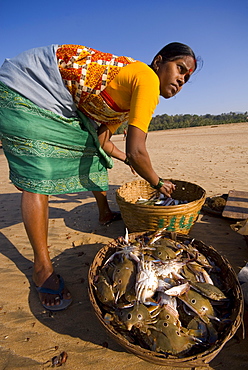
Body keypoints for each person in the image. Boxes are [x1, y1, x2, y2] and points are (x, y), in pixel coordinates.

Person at [0, 42, 198, 310]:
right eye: (180, 69)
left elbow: (103, 140)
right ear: (159, 61)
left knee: (93, 155)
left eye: (186, 78)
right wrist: (158, 183)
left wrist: (125, 159)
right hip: (29, 83)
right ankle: (42, 268)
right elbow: (138, 149)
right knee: (39, 173)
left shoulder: (127, 100)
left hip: (57, 98)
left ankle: (104, 213)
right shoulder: (147, 79)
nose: (181, 81)